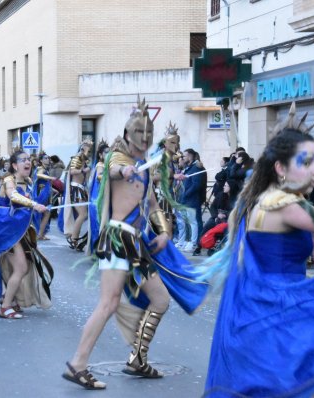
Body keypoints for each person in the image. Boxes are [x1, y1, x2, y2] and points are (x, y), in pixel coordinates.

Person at [199, 103, 314, 397]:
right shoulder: (280, 203)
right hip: (274, 316)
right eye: (305, 163)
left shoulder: (262, 199)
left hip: (267, 312)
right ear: (280, 168)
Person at [63, 97, 207, 390]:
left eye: (148, 136)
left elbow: (152, 204)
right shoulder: (119, 159)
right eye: (139, 134)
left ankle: (137, 359)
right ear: (128, 136)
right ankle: (79, 363)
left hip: (135, 243)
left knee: (160, 300)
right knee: (108, 303)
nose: (144, 140)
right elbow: (113, 169)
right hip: (118, 239)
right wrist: (123, 171)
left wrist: (164, 231)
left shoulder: (143, 165)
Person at [0, 150, 54, 319]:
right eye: (23, 160)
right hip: (4, 231)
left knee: (21, 267)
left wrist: (40, 205)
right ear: (14, 165)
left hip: (17, 232)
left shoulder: (28, 181)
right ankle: (5, 306)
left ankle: (9, 299)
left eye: (29, 160)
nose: (28, 162)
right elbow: (13, 195)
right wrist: (33, 204)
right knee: (21, 268)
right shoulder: (8, 180)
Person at [60, 140, 93, 251]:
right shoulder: (77, 158)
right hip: (76, 190)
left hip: (81, 189)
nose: (89, 152)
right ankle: (74, 239)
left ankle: (75, 238)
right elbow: (73, 171)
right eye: (88, 150)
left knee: (83, 215)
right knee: (82, 215)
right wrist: (84, 170)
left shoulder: (83, 159)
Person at [86, 139, 109, 253]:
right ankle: (97, 250)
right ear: (100, 155)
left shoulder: (108, 164)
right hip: (98, 199)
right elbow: (99, 176)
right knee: (98, 224)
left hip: (105, 197)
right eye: (106, 152)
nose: (108, 154)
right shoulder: (100, 164)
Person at [32, 152, 55, 240]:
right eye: (45, 158)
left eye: (48, 158)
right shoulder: (41, 169)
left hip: (45, 194)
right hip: (41, 195)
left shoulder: (46, 169)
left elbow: (45, 183)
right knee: (45, 213)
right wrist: (50, 178)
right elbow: (38, 175)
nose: (48, 160)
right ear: (41, 160)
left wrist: (53, 189)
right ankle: (39, 234)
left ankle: (40, 233)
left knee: (44, 214)